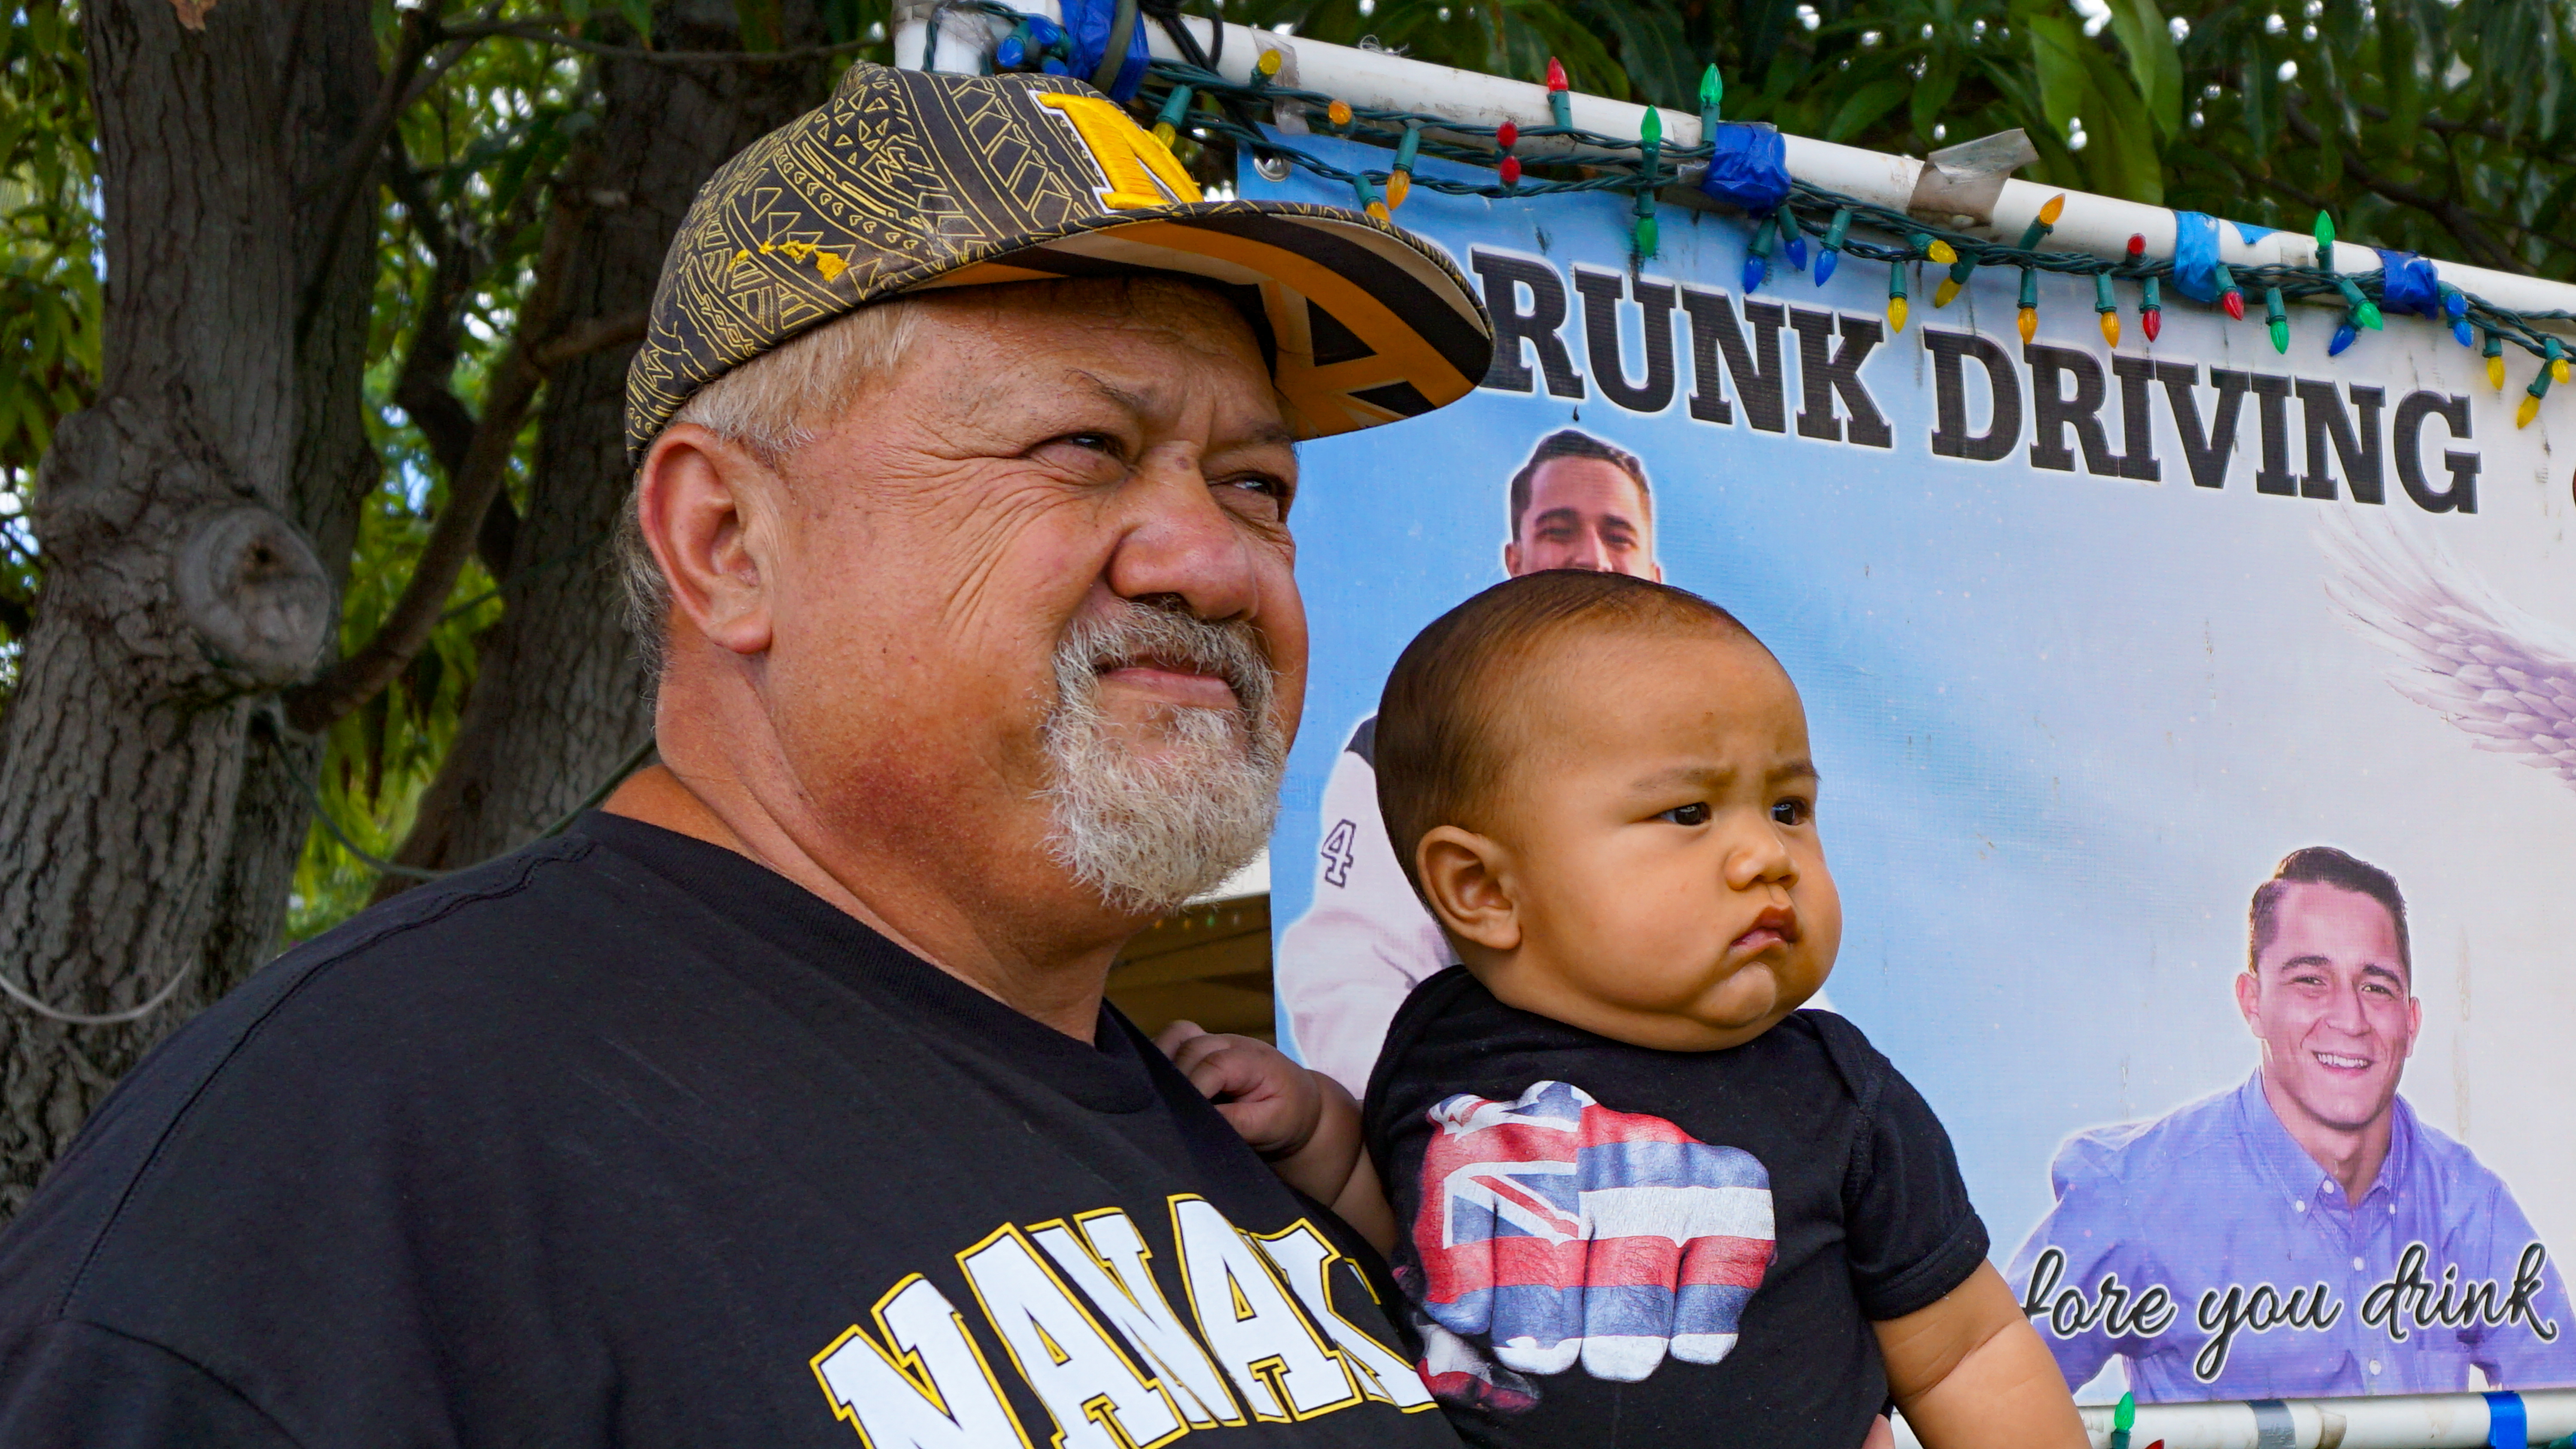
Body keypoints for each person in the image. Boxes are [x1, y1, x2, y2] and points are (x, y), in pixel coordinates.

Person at [0, 63, 1496, 1446]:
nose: (1217, 563)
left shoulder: (1254, 1161)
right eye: (1085, 450)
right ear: (725, 543)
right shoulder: (349, 1152)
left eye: (1255, 483)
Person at [1170, 571, 2086, 1449]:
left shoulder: (1842, 1094)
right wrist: (1311, 1132)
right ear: (1484, 887)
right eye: (1690, 812)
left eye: (1788, 806)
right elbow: (1398, 1225)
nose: (1766, 855)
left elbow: (1970, 1349)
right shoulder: (1436, 1040)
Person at [2007, 847, 2575, 1401]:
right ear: (2252, 1002)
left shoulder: (2470, 1207)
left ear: (2411, 1020)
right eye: (2311, 981)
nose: (2350, 1019)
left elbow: (2565, 1408)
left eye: (2376, 987)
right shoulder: (2137, 1193)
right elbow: (1987, 1397)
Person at [1278, 429, 1664, 1096]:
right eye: (1559, 528)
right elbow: (1349, 985)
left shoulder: (1722, 761)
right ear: (1514, 560)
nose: (1592, 557)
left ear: (1654, 576)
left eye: (1619, 535)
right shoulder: (1407, 746)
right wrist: (1491, 1138)